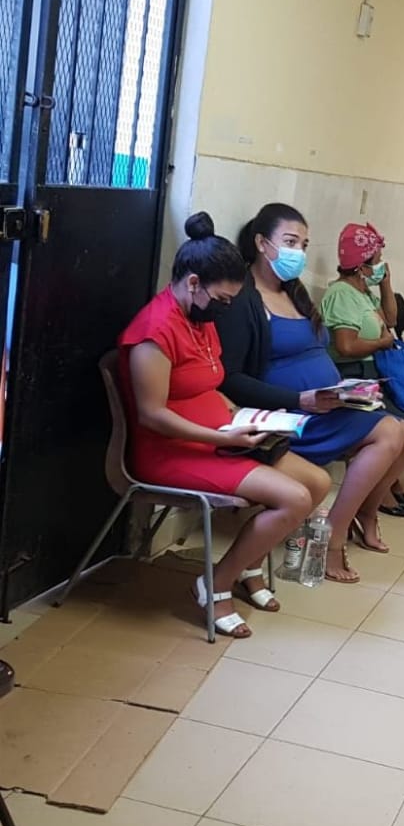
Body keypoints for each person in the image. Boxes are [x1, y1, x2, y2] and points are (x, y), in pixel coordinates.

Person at [119, 212, 330, 638]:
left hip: (223, 437)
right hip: (172, 451)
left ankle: (247, 567)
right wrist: (222, 434)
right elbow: (152, 415)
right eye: (222, 299)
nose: (225, 308)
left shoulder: (201, 319)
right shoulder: (155, 333)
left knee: (318, 482)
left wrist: (251, 420)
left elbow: (213, 383)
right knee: (292, 498)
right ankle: (215, 585)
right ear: (193, 283)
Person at [216, 203, 404, 583]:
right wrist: (300, 400)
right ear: (261, 243)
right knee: (391, 432)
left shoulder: (294, 292)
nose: (299, 253)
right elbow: (230, 378)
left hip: (321, 405)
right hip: (288, 415)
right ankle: (330, 541)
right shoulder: (243, 298)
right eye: (290, 242)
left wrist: (347, 391)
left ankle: (362, 514)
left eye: (304, 245)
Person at [320, 221, 404, 512]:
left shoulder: (362, 290)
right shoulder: (340, 294)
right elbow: (346, 346)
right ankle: (378, 490)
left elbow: (390, 318)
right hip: (353, 377)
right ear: (361, 265)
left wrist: (386, 283)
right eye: (376, 261)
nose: (380, 265)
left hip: (376, 372)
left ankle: (389, 478)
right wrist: (381, 343)